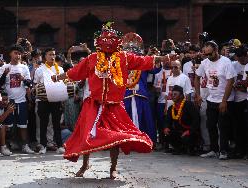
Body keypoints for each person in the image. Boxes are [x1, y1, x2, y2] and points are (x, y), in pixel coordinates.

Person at [56, 23, 173, 179]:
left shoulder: (124, 58)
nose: (108, 43)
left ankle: (113, 167)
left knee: (116, 137)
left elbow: (143, 61)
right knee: (87, 134)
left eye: (112, 39)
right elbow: (76, 71)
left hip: (114, 106)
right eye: (105, 40)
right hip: (94, 105)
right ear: (99, 42)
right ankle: (85, 164)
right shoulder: (92, 58)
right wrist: (58, 77)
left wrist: (163, 58)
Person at [195, 41, 237, 160]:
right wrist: (198, 95)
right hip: (211, 98)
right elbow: (197, 78)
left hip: (225, 99)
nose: (208, 57)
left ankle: (223, 150)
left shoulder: (225, 62)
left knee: (223, 126)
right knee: (211, 125)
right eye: (205, 54)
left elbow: (230, 81)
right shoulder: (205, 62)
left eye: (210, 54)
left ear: (216, 50)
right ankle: (214, 149)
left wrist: (224, 101)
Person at [122, 32, 159, 144]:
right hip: (125, 94)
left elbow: (155, 70)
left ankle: (144, 141)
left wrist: (156, 58)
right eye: (129, 49)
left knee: (144, 117)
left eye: (134, 49)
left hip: (140, 94)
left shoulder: (142, 61)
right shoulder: (121, 62)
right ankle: (126, 142)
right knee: (125, 118)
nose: (131, 51)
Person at [0, 44, 34, 154]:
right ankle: (8, 145)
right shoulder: (4, 67)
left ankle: (25, 145)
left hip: (22, 100)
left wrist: (23, 79)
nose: (18, 55)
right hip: (9, 100)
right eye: (15, 53)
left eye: (19, 53)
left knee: (23, 124)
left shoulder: (24, 67)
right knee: (8, 125)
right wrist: (5, 74)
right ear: (10, 54)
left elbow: (30, 84)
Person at [34, 48, 64, 154]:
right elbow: (36, 84)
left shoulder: (60, 69)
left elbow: (63, 83)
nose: (52, 57)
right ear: (45, 56)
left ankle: (60, 145)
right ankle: (43, 145)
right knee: (43, 123)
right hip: (43, 99)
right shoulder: (39, 69)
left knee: (56, 123)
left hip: (56, 99)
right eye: (50, 54)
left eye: (54, 54)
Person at [164, 85, 200, 155]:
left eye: (175, 94)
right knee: (167, 133)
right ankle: (178, 148)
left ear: (181, 96)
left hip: (190, 131)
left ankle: (191, 149)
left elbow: (196, 119)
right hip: (178, 132)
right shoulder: (171, 108)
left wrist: (189, 131)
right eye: (172, 94)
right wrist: (166, 127)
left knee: (188, 137)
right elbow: (167, 120)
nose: (173, 96)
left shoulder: (188, 105)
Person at [0, 91, 15, 156]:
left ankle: (9, 143)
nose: (5, 102)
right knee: (3, 126)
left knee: (10, 125)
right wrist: (8, 111)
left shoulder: (5, 107)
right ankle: (3, 147)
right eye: (3, 100)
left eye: (6, 100)